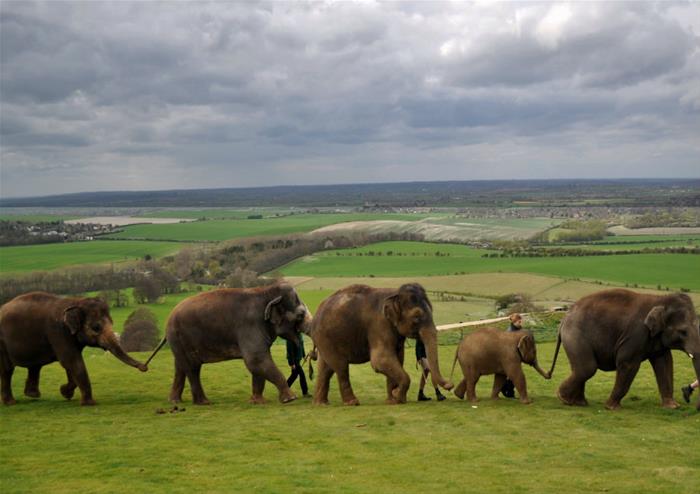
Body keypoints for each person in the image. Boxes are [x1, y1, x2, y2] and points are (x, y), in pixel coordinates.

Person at [500, 313, 523, 399]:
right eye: (519, 321)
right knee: (513, 375)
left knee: (511, 375)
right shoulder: (510, 332)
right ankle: (508, 392)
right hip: (510, 356)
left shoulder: (518, 329)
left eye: (521, 321)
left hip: (516, 355)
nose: (521, 323)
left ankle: (507, 390)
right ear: (515, 322)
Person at [416, 337, 446, 402]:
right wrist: (419, 358)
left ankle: (420, 394)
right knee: (433, 371)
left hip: (427, 356)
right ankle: (438, 393)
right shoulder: (421, 333)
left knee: (425, 374)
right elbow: (417, 346)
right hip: (423, 357)